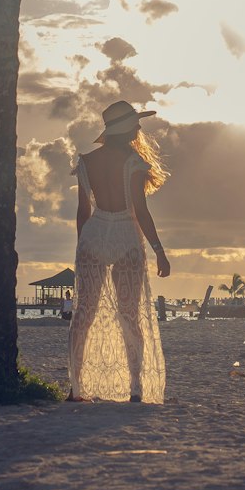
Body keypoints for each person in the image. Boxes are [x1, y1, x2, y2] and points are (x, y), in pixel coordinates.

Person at [68, 100, 170, 404]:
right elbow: (140, 210)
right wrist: (159, 251)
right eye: (136, 123)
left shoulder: (86, 161)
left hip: (94, 234)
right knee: (130, 315)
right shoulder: (134, 162)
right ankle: (136, 388)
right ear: (125, 128)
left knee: (83, 315)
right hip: (126, 234)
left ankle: (75, 388)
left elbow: (82, 211)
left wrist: (81, 246)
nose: (139, 128)